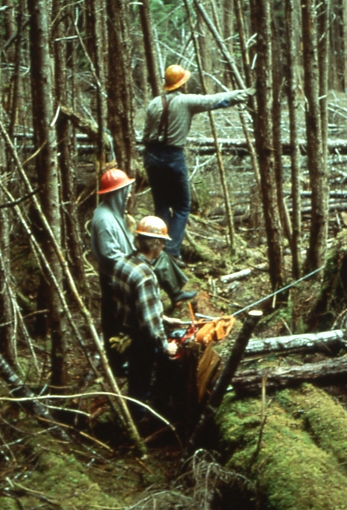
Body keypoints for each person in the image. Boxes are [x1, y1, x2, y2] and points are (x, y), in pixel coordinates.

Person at [142, 64, 253, 261]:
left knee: (161, 207)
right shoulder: (187, 101)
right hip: (172, 157)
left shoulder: (153, 103)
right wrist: (246, 93)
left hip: (151, 156)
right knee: (183, 207)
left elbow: (145, 133)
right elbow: (216, 100)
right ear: (182, 84)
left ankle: (156, 252)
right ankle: (171, 253)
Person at [89, 169, 196, 372]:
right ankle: (119, 362)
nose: (129, 194)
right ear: (116, 192)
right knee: (117, 318)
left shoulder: (115, 213)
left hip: (127, 267)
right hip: (116, 275)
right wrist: (134, 266)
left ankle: (176, 292)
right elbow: (110, 256)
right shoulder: (103, 219)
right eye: (126, 190)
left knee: (162, 256)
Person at [108, 216, 181, 419]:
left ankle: (150, 406)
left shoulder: (123, 263)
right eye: (163, 241)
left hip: (126, 330)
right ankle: (142, 420)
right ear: (155, 243)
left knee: (137, 376)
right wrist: (164, 345)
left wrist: (164, 318)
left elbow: (135, 305)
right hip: (142, 338)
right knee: (143, 380)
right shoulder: (145, 275)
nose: (165, 245)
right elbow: (149, 323)